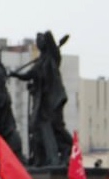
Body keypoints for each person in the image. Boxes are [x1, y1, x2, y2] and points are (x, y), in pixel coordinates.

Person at [9, 31, 70, 167]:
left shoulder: (52, 57)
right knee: (40, 126)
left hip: (53, 100)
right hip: (43, 102)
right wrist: (15, 75)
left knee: (54, 126)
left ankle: (64, 151)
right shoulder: (41, 60)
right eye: (37, 41)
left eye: (40, 40)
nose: (38, 43)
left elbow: (51, 44)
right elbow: (30, 74)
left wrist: (47, 35)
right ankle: (44, 157)